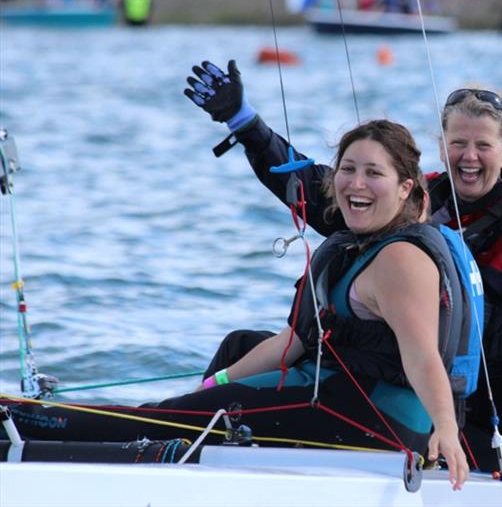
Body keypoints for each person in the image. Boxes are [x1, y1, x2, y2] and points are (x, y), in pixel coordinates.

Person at [184, 60, 502, 507]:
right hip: (390, 379)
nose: (469, 157)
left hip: (469, 416)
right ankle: (203, 465)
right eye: (458, 144)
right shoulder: (421, 198)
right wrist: (248, 125)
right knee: (242, 345)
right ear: (441, 145)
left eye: (483, 146)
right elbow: (322, 193)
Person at [10, 118, 476, 490]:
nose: (356, 182)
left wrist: (446, 431)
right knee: (172, 412)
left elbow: (422, 356)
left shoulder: (400, 259)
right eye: (348, 169)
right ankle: (34, 427)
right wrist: (216, 383)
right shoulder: (356, 245)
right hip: (332, 395)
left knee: (160, 422)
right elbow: (293, 343)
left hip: (375, 421)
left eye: (374, 173)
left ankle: (19, 422)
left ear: (406, 188)